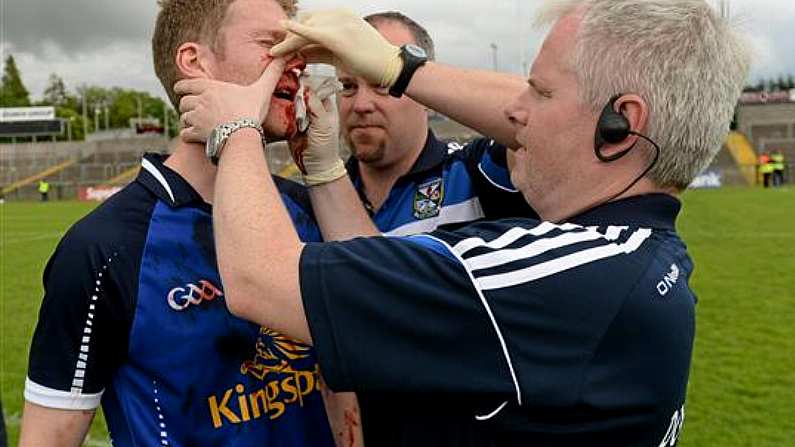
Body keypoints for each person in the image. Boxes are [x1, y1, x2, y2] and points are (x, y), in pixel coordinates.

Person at [176, 0, 750, 445]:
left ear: (620, 125)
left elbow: (262, 280)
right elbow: (383, 297)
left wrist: (237, 131)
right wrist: (386, 86)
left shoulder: (561, 278)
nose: (515, 111)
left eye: (541, 90)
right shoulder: (629, 256)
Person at [19, 1, 339, 446]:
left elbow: (383, 331)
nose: (297, 62)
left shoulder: (308, 208)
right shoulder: (104, 248)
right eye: (272, 44)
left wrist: (327, 174)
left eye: (296, 48)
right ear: (194, 63)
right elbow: (47, 439)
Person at [325, 12, 533, 237]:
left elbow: (542, 119)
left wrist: (402, 71)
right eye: (348, 86)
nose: (361, 104)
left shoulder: (471, 171)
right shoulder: (323, 194)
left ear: (427, 97)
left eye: (383, 84)